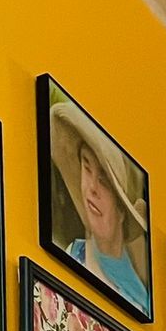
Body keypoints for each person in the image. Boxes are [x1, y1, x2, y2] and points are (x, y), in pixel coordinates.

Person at [47, 100, 150, 314]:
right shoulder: (72, 253)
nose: (92, 187)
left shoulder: (138, 300)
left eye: (104, 180)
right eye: (86, 167)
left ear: (122, 211)